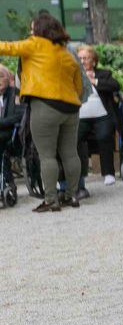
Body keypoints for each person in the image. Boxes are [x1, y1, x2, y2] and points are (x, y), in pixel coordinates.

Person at [0, 12, 83, 212]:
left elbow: (7, 48)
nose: (30, 32)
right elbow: (78, 86)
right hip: (71, 109)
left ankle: (51, 200)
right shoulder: (66, 53)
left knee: (47, 156)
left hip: (45, 106)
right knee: (70, 153)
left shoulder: (35, 44)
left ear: (40, 30)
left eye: (32, 28)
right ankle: (72, 196)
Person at [74, 44, 121, 197]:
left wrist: (95, 82)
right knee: (73, 141)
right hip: (80, 117)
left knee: (104, 136)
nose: (82, 61)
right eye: (80, 58)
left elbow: (115, 86)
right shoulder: (73, 74)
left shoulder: (103, 74)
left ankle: (108, 173)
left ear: (93, 61)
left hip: (102, 116)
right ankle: (77, 178)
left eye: (86, 58)